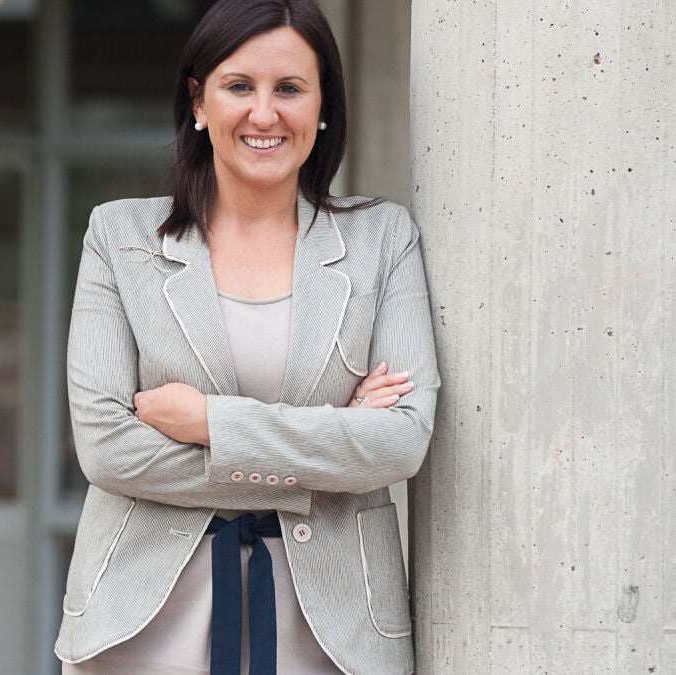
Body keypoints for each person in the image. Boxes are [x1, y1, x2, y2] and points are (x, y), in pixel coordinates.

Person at [54, 0, 440, 673]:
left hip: (335, 633)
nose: (264, 113)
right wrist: (330, 444)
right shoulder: (119, 238)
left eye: (289, 88)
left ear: (323, 106)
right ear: (198, 103)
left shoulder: (382, 240)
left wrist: (208, 422)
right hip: (139, 631)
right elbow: (108, 451)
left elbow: (400, 440)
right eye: (239, 86)